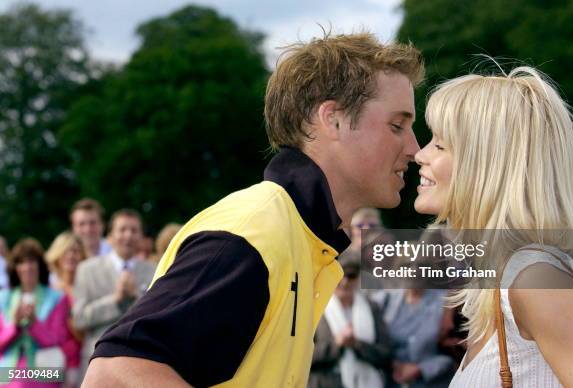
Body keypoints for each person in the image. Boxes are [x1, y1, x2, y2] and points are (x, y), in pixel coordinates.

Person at [83, 31, 424, 387]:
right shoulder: (253, 234)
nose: (415, 148)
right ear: (333, 119)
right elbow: (113, 373)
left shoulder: (297, 238)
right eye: (397, 125)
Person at [414, 66, 573, 386]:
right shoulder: (510, 277)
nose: (419, 154)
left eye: (439, 145)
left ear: (487, 161)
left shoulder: (533, 276)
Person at [72, 209, 155, 377]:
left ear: (141, 236)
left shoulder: (153, 270)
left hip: (140, 362)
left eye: (134, 230)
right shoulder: (86, 269)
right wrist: (114, 300)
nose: (128, 235)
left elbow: (158, 315)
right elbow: (79, 318)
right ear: (110, 235)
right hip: (97, 362)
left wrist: (135, 298)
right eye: (122, 229)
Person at [309, 256, 391, 388]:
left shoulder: (371, 308)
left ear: (358, 279)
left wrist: (357, 344)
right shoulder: (316, 306)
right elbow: (305, 357)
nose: (345, 282)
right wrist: (336, 344)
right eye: (341, 276)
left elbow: (385, 354)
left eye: (351, 276)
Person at [0, 238, 69, 387]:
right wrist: (15, 326)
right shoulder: (3, 298)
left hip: (47, 370)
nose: (27, 267)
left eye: (32, 261)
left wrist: (34, 324)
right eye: (21, 262)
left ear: (40, 265)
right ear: (15, 267)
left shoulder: (57, 298)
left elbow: (57, 339)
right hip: (7, 370)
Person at [45, 232, 87, 388]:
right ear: (57, 255)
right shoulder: (47, 290)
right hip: (51, 363)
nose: (71, 255)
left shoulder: (88, 289)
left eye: (76, 251)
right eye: (66, 251)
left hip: (81, 361)